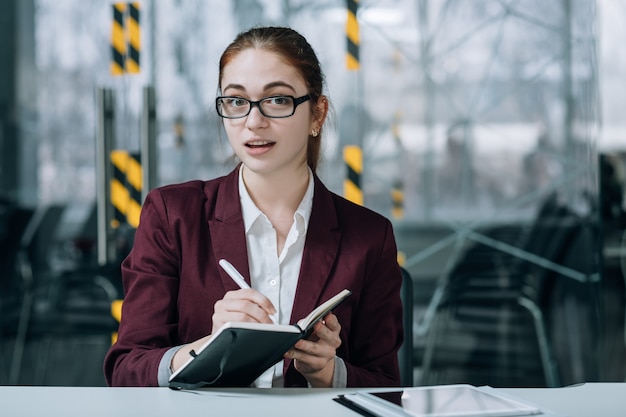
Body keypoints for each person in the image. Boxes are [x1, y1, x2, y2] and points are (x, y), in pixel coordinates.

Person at [103, 26, 404, 388]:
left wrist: (328, 373)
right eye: (236, 101)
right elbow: (126, 369)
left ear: (317, 114)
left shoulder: (369, 236)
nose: (253, 121)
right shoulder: (173, 215)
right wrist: (207, 349)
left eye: (278, 100)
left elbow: (386, 386)